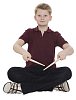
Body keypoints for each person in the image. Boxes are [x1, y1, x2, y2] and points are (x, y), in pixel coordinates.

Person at [3, 3, 74, 94]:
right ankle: (55, 85)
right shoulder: (29, 32)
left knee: (67, 72)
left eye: (45, 15)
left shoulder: (55, 35)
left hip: (50, 71)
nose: (42, 18)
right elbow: (16, 46)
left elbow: (70, 49)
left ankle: (22, 88)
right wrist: (24, 52)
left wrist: (65, 52)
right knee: (12, 72)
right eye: (39, 15)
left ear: (50, 18)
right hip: (31, 71)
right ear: (35, 17)